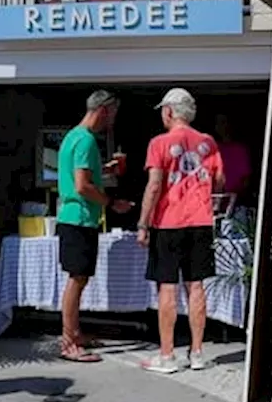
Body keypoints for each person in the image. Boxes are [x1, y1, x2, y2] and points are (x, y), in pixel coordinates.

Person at [136, 88, 224, 375]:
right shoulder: (208, 142)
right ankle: (197, 353)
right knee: (196, 286)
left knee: (167, 287)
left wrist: (143, 223)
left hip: (169, 222)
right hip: (200, 221)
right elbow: (219, 180)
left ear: (169, 112)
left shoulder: (159, 143)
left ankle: (167, 355)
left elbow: (154, 185)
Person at [55, 90, 133, 363]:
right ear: (103, 110)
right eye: (113, 113)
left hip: (75, 218)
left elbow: (83, 177)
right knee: (76, 280)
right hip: (78, 219)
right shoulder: (86, 140)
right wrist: (112, 203)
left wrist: (106, 170)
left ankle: (74, 333)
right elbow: (82, 185)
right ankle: (68, 343)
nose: (113, 119)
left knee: (80, 278)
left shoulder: (73, 137)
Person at [214, 114, 252, 198]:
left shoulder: (240, 150)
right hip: (216, 198)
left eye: (223, 122)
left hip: (237, 200)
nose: (221, 126)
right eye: (218, 123)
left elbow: (246, 179)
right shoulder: (214, 149)